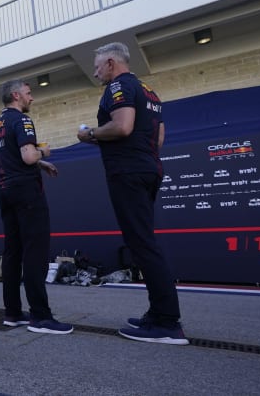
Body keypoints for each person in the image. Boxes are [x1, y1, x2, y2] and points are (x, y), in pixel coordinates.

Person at [77, 42, 188, 345]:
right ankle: (157, 314)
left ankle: (167, 321)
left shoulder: (118, 87)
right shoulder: (148, 90)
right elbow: (158, 137)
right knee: (143, 241)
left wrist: (88, 134)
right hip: (148, 167)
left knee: (142, 244)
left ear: (111, 63)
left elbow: (123, 127)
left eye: (98, 66)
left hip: (127, 173)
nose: (96, 71)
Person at [0, 79, 74, 334]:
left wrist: (40, 164)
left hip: (5, 190)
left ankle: (13, 313)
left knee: (13, 252)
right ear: (16, 96)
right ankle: (41, 317)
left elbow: (15, 156)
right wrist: (44, 152)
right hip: (26, 192)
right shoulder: (22, 120)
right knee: (35, 252)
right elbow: (28, 155)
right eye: (28, 93)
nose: (32, 98)